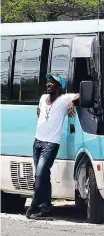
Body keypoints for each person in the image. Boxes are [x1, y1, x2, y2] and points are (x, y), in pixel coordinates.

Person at [26, 73, 79, 220]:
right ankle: (46, 208)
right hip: (37, 142)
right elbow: (39, 112)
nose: (48, 84)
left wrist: (72, 102)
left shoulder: (63, 99)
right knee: (43, 176)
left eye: (52, 82)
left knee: (40, 174)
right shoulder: (43, 98)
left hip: (51, 144)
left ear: (59, 86)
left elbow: (81, 93)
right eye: (48, 82)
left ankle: (34, 204)